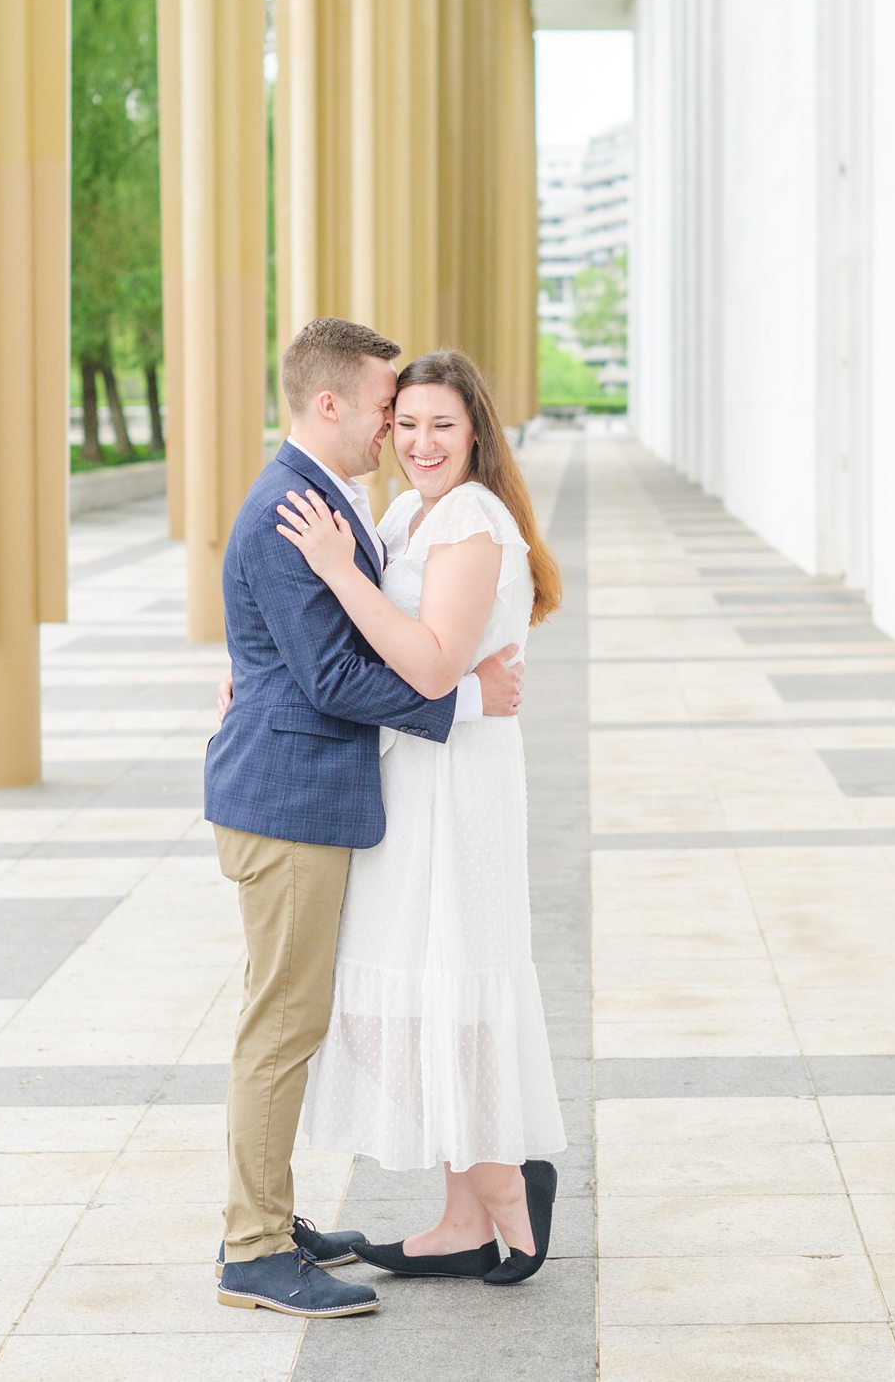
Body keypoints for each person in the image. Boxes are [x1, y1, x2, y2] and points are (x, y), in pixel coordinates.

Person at [204, 319, 524, 1320]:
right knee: (284, 1023)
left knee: (295, 1016)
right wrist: (467, 700)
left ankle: (273, 1220)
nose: (398, 429)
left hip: (305, 795)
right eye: (389, 407)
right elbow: (336, 672)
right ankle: (253, 1249)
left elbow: (301, 648)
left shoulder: (336, 500)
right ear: (331, 402)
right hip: (290, 801)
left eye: (424, 416)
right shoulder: (291, 507)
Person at [267, 346, 567, 1287]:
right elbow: (383, 658)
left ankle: (507, 1185)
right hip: (409, 773)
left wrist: (335, 567)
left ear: (476, 428)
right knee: (396, 1003)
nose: (421, 440)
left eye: (442, 423)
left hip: (455, 787)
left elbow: (433, 665)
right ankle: (461, 1213)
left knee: (436, 990)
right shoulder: (407, 512)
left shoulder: (473, 518)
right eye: (406, 422)